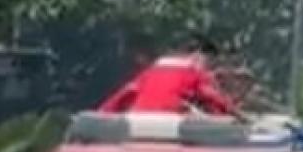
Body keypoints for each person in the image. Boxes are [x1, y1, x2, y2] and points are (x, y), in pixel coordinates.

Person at [97, 36, 238, 116]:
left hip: (138, 119)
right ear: (198, 54)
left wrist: (103, 112)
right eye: (209, 61)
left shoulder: (154, 69)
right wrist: (235, 115)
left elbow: (126, 92)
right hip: (170, 120)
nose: (207, 67)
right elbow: (213, 98)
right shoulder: (194, 70)